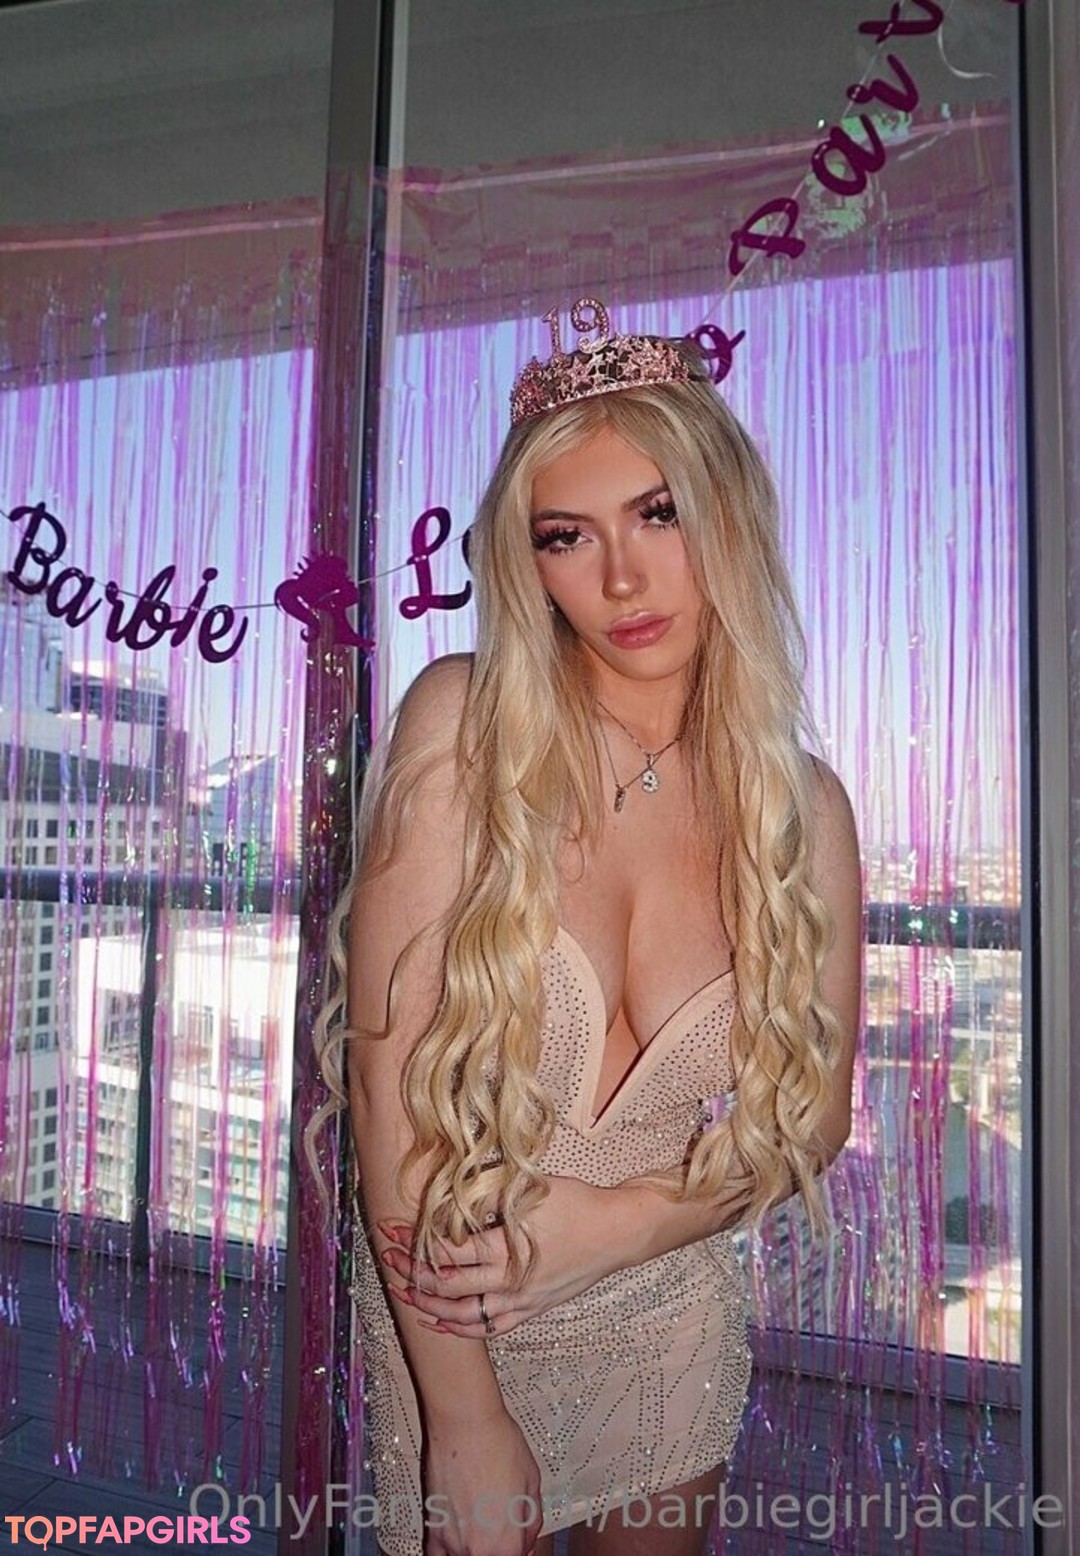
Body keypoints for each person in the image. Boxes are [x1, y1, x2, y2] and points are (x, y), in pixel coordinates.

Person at [313, 305, 861, 1556]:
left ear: (727, 516)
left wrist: (623, 1223)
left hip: (668, 1312)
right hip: (455, 1313)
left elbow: (814, 1117)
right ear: (531, 563)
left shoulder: (804, 808)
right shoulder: (464, 724)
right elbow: (388, 1090)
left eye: (657, 514)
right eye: (567, 535)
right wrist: (462, 1417)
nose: (619, 578)